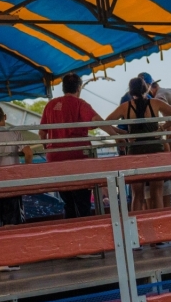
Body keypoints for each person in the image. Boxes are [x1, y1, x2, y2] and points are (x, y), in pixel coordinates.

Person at [39, 73, 121, 222]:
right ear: (79, 87)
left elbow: (42, 133)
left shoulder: (50, 105)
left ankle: (71, 238)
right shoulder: (80, 104)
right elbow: (97, 121)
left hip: (56, 160)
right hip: (78, 158)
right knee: (82, 202)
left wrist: (50, 150)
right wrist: (117, 135)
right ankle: (87, 237)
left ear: (63, 88)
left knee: (67, 202)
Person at [106, 77, 171, 213]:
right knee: (156, 192)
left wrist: (123, 133)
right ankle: (159, 227)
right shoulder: (155, 103)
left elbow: (106, 122)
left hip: (135, 152)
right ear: (146, 88)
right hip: (155, 150)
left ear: (130, 91)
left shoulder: (125, 107)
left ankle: (136, 229)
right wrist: (162, 128)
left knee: (137, 194)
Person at [0, 105, 33, 271]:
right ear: (5, 116)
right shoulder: (15, 133)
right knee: (12, 222)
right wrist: (24, 173)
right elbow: (29, 153)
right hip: (12, 183)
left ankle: (0, 259)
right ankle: (12, 259)